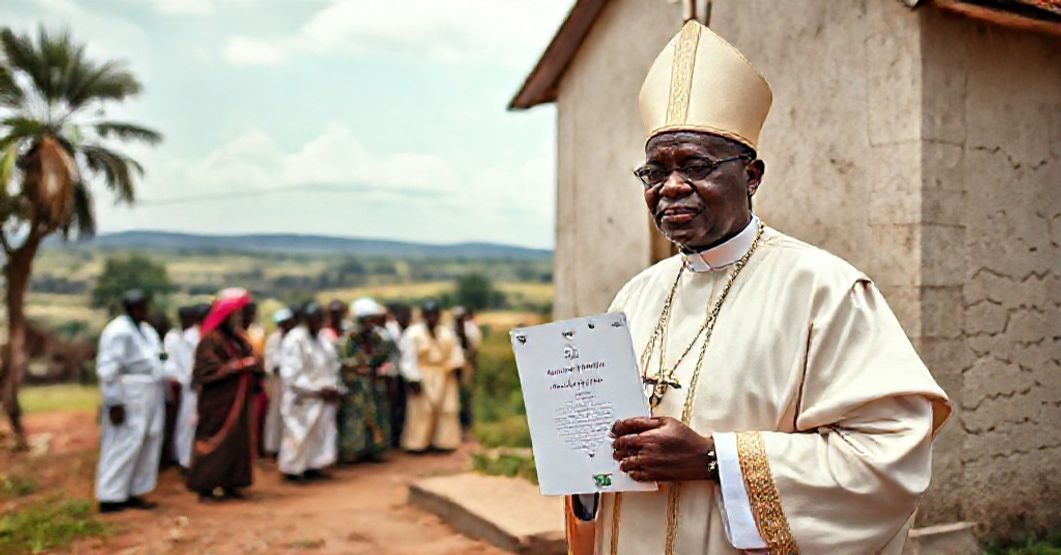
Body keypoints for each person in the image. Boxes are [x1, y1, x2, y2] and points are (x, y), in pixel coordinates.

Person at [565, 21, 951, 555]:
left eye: (696, 165)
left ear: (751, 175)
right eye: (653, 172)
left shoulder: (825, 289)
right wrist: (581, 459)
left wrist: (712, 459)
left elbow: (887, 458)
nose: (670, 186)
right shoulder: (635, 295)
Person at [186, 289, 263, 502]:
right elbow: (206, 370)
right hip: (219, 402)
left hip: (239, 402)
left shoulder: (238, 337)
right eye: (235, 315)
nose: (238, 319)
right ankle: (206, 486)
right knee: (213, 440)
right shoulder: (210, 339)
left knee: (237, 442)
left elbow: (254, 356)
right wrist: (237, 366)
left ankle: (231, 482)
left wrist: (251, 362)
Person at [94, 290, 165, 513]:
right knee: (123, 440)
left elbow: (157, 358)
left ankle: (135, 490)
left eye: (144, 306)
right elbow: (108, 369)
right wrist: (114, 402)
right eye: (138, 307)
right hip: (128, 391)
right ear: (129, 308)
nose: (143, 311)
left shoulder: (146, 330)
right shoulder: (118, 331)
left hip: (150, 390)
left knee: (147, 439)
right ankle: (110, 495)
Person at [278, 302, 340, 481]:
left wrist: (332, 386)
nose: (318, 323)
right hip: (302, 398)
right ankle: (292, 469)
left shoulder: (324, 339)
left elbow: (332, 365)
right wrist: (318, 389)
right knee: (298, 434)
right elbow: (291, 375)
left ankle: (314, 465)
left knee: (320, 434)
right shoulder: (294, 340)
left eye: (321, 319)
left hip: (323, 397)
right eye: (315, 319)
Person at [399, 300, 465, 453]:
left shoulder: (446, 332)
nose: (432, 319)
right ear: (423, 316)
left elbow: (456, 352)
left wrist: (457, 367)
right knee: (421, 410)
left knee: (447, 410)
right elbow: (408, 357)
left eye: (435, 315)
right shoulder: (413, 333)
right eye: (429, 315)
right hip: (423, 374)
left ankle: (444, 443)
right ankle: (417, 444)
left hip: (444, 374)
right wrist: (412, 378)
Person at [336, 298, 396, 463]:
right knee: (355, 419)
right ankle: (352, 452)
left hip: (375, 385)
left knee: (378, 416)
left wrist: (385, 369)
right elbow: (342, 362)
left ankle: (376, 450)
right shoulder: (347, 340)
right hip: (356, 387)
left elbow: (389, 358)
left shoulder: (380, 337)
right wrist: (357, 369)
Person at [163, 305, 202, 470]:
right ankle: (183, 459)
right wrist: (182, 379)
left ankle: (188, 458)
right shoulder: (175, 337)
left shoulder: (196, 335)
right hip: (183, 384)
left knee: (191, 423)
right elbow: (173, 362)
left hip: (193, 384)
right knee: (186, 423)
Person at [262, 307, 297, 458]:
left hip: (295, 384)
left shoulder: (297, 338)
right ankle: (273, 447)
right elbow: (270, 360)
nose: (285, 326)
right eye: (282, 323)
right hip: (279, 383)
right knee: (276, 414)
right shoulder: (274, 339)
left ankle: (291, 449)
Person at [383, 302, 412, 447]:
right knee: (393, 406)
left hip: (404, 374)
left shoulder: (408, 330)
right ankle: (393, 438)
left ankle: (400, 435)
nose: (406, 318)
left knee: (403, 405)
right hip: (393, 375)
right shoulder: (391, 331)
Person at [451, 306, 482, 432]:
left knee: (466, 395)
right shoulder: (450, 330)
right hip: (454, 368)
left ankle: (466, 423)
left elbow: (474, 349)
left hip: (467, 366)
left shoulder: (471, 330)